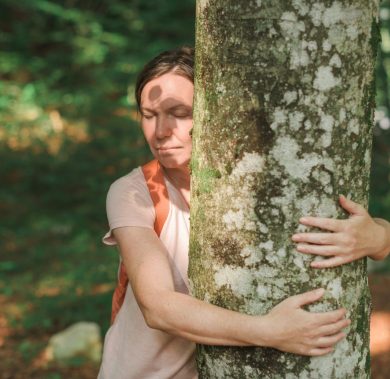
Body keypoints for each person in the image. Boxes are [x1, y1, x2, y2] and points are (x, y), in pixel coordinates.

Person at [98, 47, 390, 379]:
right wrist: (269, 331)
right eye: (149, 115)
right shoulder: (135, 192)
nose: (160, 131)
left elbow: (374, 238)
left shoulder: (253, 181)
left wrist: (377, 236)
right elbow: (158, 307)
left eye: (179, 112)